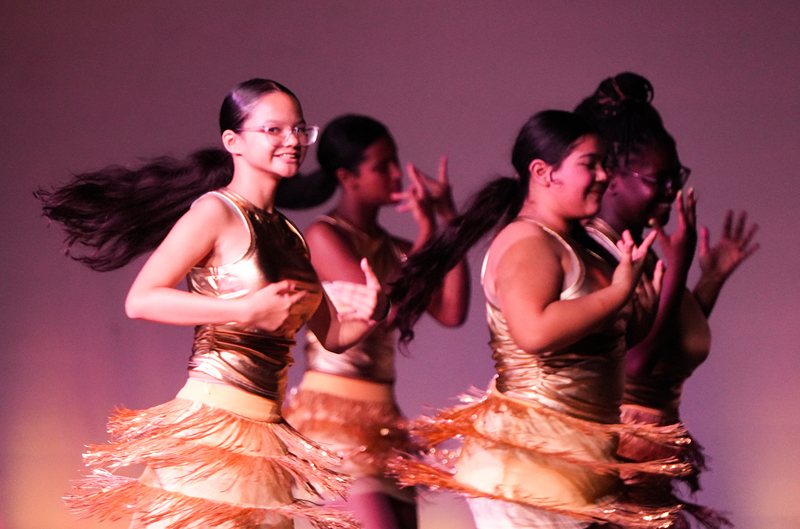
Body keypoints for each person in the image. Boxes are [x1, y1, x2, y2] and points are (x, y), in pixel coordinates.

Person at [36, 79, 390, 529]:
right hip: (215, 419)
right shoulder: (216, 212)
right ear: (233, 142)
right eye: (274, 130)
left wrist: (374, 311)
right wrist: (242, 310)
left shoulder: (291, 236)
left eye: (300, 130)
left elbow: (334, 336)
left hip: (265, 429)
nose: (292, 142)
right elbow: (141, 299)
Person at [388, 110, 689, 529]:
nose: (603, 175)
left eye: (604, 163)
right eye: (590, 164)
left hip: (578, 462)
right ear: (543, 172)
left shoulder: (579, 245)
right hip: (528, 468)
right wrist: (618, 294)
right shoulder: (527, 241)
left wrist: (635, 314)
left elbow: (598, 340)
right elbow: (534, 331)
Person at [576, 72, 759, 528]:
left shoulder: (642, 253)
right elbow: (635, 364)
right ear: (612, 177)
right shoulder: (595, 256)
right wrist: (677, 272)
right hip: (618, 466)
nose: (672, 191)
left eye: (677, 177)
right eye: (658, 178)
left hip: (650, 464)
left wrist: (710, 279)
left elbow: (665, 340)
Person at [280, 114, 470, 529]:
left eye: (394, 160)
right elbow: (382, 311)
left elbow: (452, 311)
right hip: (332, 421)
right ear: (347, 177)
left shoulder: (398, 250)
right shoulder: (323, 236)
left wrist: (450, 223)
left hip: (384, 421)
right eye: (381, 165)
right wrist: (424, 235)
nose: (394, 173)